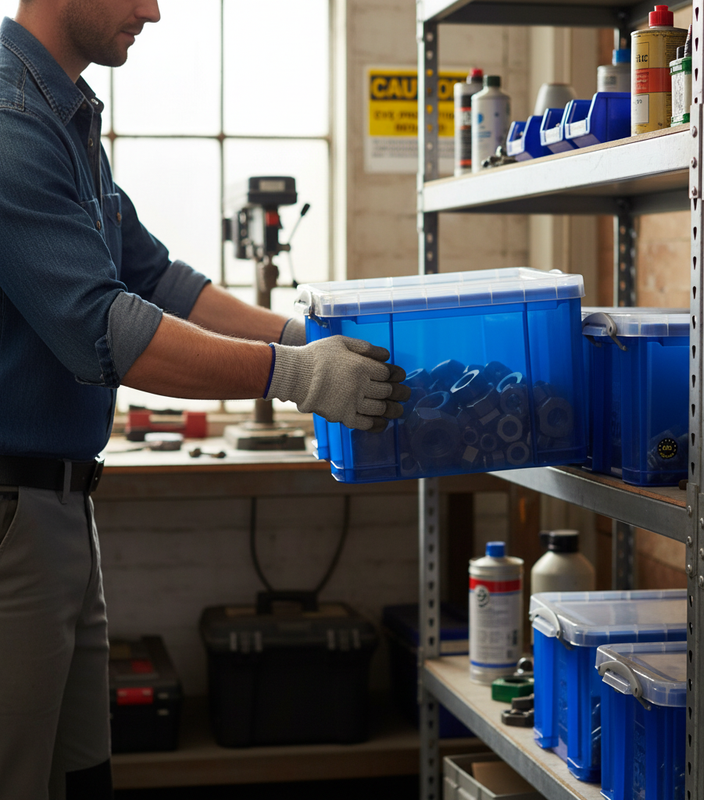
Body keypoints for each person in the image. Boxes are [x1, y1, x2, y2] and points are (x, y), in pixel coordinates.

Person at [0, 2, 409, 798]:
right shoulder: (11, 121)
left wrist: (302, 336)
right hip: (13, 516)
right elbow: (100, 328)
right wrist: (294, 375)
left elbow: (155, 278)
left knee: (78, 776)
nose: (153, 10)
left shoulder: (64, 114)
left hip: (59, 511)